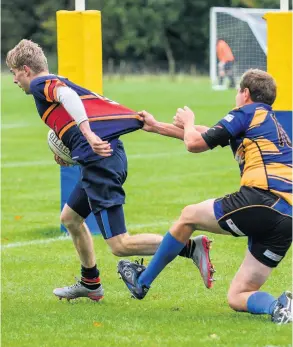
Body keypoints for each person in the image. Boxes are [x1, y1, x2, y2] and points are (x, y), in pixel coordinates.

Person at [6, 39, 215, 302]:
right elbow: (76, 112)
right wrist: (72, 146)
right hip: (104, 157)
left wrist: (86, 135)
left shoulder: (40, 83)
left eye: (14, 73)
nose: (14, 80)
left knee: (120, 245)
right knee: (70, 218)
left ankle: (190, 247)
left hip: (100, 162)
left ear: (26, 69)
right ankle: (90, 282)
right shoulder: (59, 82)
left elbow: (66, 97)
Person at [118, 69, 292, 325]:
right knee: (238, 295)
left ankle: (141, 282)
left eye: (237, 92)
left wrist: (188, 121)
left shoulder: (246, 112)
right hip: (287, 218)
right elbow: (207, 134)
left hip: (262, 199)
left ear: (245, 93)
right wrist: (156, 127)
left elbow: (194, 143)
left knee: (188, 216)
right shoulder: (269, 124)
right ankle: (280, 306)